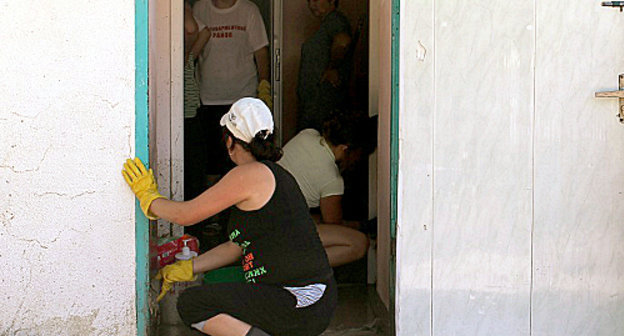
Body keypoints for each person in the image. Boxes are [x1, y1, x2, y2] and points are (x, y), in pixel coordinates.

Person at [122, 98, 336, 336]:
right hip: (304, 300)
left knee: (193, 304)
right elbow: (236, 247)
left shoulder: (250, 175)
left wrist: (149, 198)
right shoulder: (271, 175)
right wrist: (188, 267)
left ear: (229, 140)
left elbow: (186, 215)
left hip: (300, 299)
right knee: (206, 300)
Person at [278, 112, 377, 267]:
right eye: (360, 154)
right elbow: (333, 225)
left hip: (266, 216)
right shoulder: (332, 180)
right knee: (359, 243)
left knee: (312, 219)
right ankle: (296, 266)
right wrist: (362, 227)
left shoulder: (307, 134)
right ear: (346, 148)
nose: (358, 160)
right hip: (279, 231)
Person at [297, 0, 352, 131]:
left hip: (321, 104)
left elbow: (343, 42)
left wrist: (332, 68)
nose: (311, 5)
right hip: (315, 103)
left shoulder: (335, 19)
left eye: (316, 0)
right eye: (309, 1)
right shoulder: (327, 24)